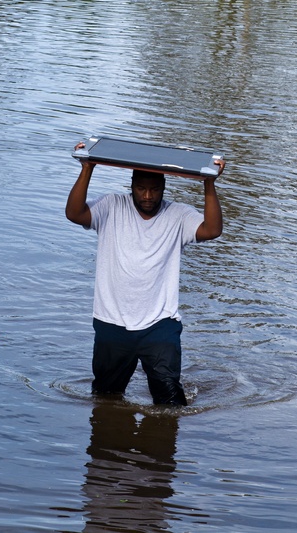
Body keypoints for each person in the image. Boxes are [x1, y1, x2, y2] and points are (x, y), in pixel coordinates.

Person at [65, 145, 224, 406]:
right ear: (132, 186)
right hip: (111, 321)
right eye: (141, 189)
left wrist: (209, 182)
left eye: (155, 189)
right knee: (106, 399)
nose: (148, 196)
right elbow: (74, 213)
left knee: (170, 403)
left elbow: (212, 230)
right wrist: (87, 167)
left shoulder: (178, 215)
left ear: (163, 188)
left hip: (160, 325)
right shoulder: (111, 205)